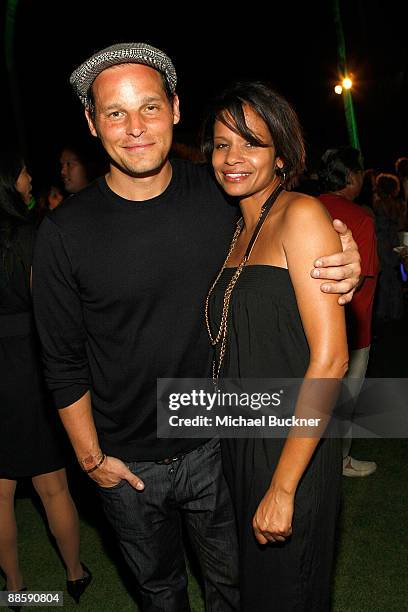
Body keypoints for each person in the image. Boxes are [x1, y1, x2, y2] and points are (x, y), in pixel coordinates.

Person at [32, 43, 361, 611]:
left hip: (219, 444)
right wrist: (92, 459)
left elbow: (286, 229)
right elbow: (60, 360)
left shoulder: (219, 192)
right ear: (92, 123)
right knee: (160, 595)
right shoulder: (64, 233)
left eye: (150, 108)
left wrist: (341, 255)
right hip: (126, 464)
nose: (135, 128)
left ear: (175, 110)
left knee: (237, 589)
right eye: (115, 112)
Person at [202, 82, 348, 611]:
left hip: (293, 441)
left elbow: (331, 357)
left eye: (251, 143)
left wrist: (284, 487)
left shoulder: (300, 215)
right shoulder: (231, 230)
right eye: (221, 144)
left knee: (287, 591)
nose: (232, 158)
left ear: (281, 155)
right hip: (241, 435)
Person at [0, 152, 91, 606]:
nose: (30, 176)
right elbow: (51, 310)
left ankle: (15, 588)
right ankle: (74, 574)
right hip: (29, 367)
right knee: (52, 485)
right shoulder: (33, 237)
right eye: (21, 170)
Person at [318, 147, 379, 478]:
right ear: (352, 177)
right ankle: (339, 463)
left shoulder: (305, 208)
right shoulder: (360, 218)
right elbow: (363, 280)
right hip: (351, 331)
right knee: (345, 400)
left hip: (307, 328)